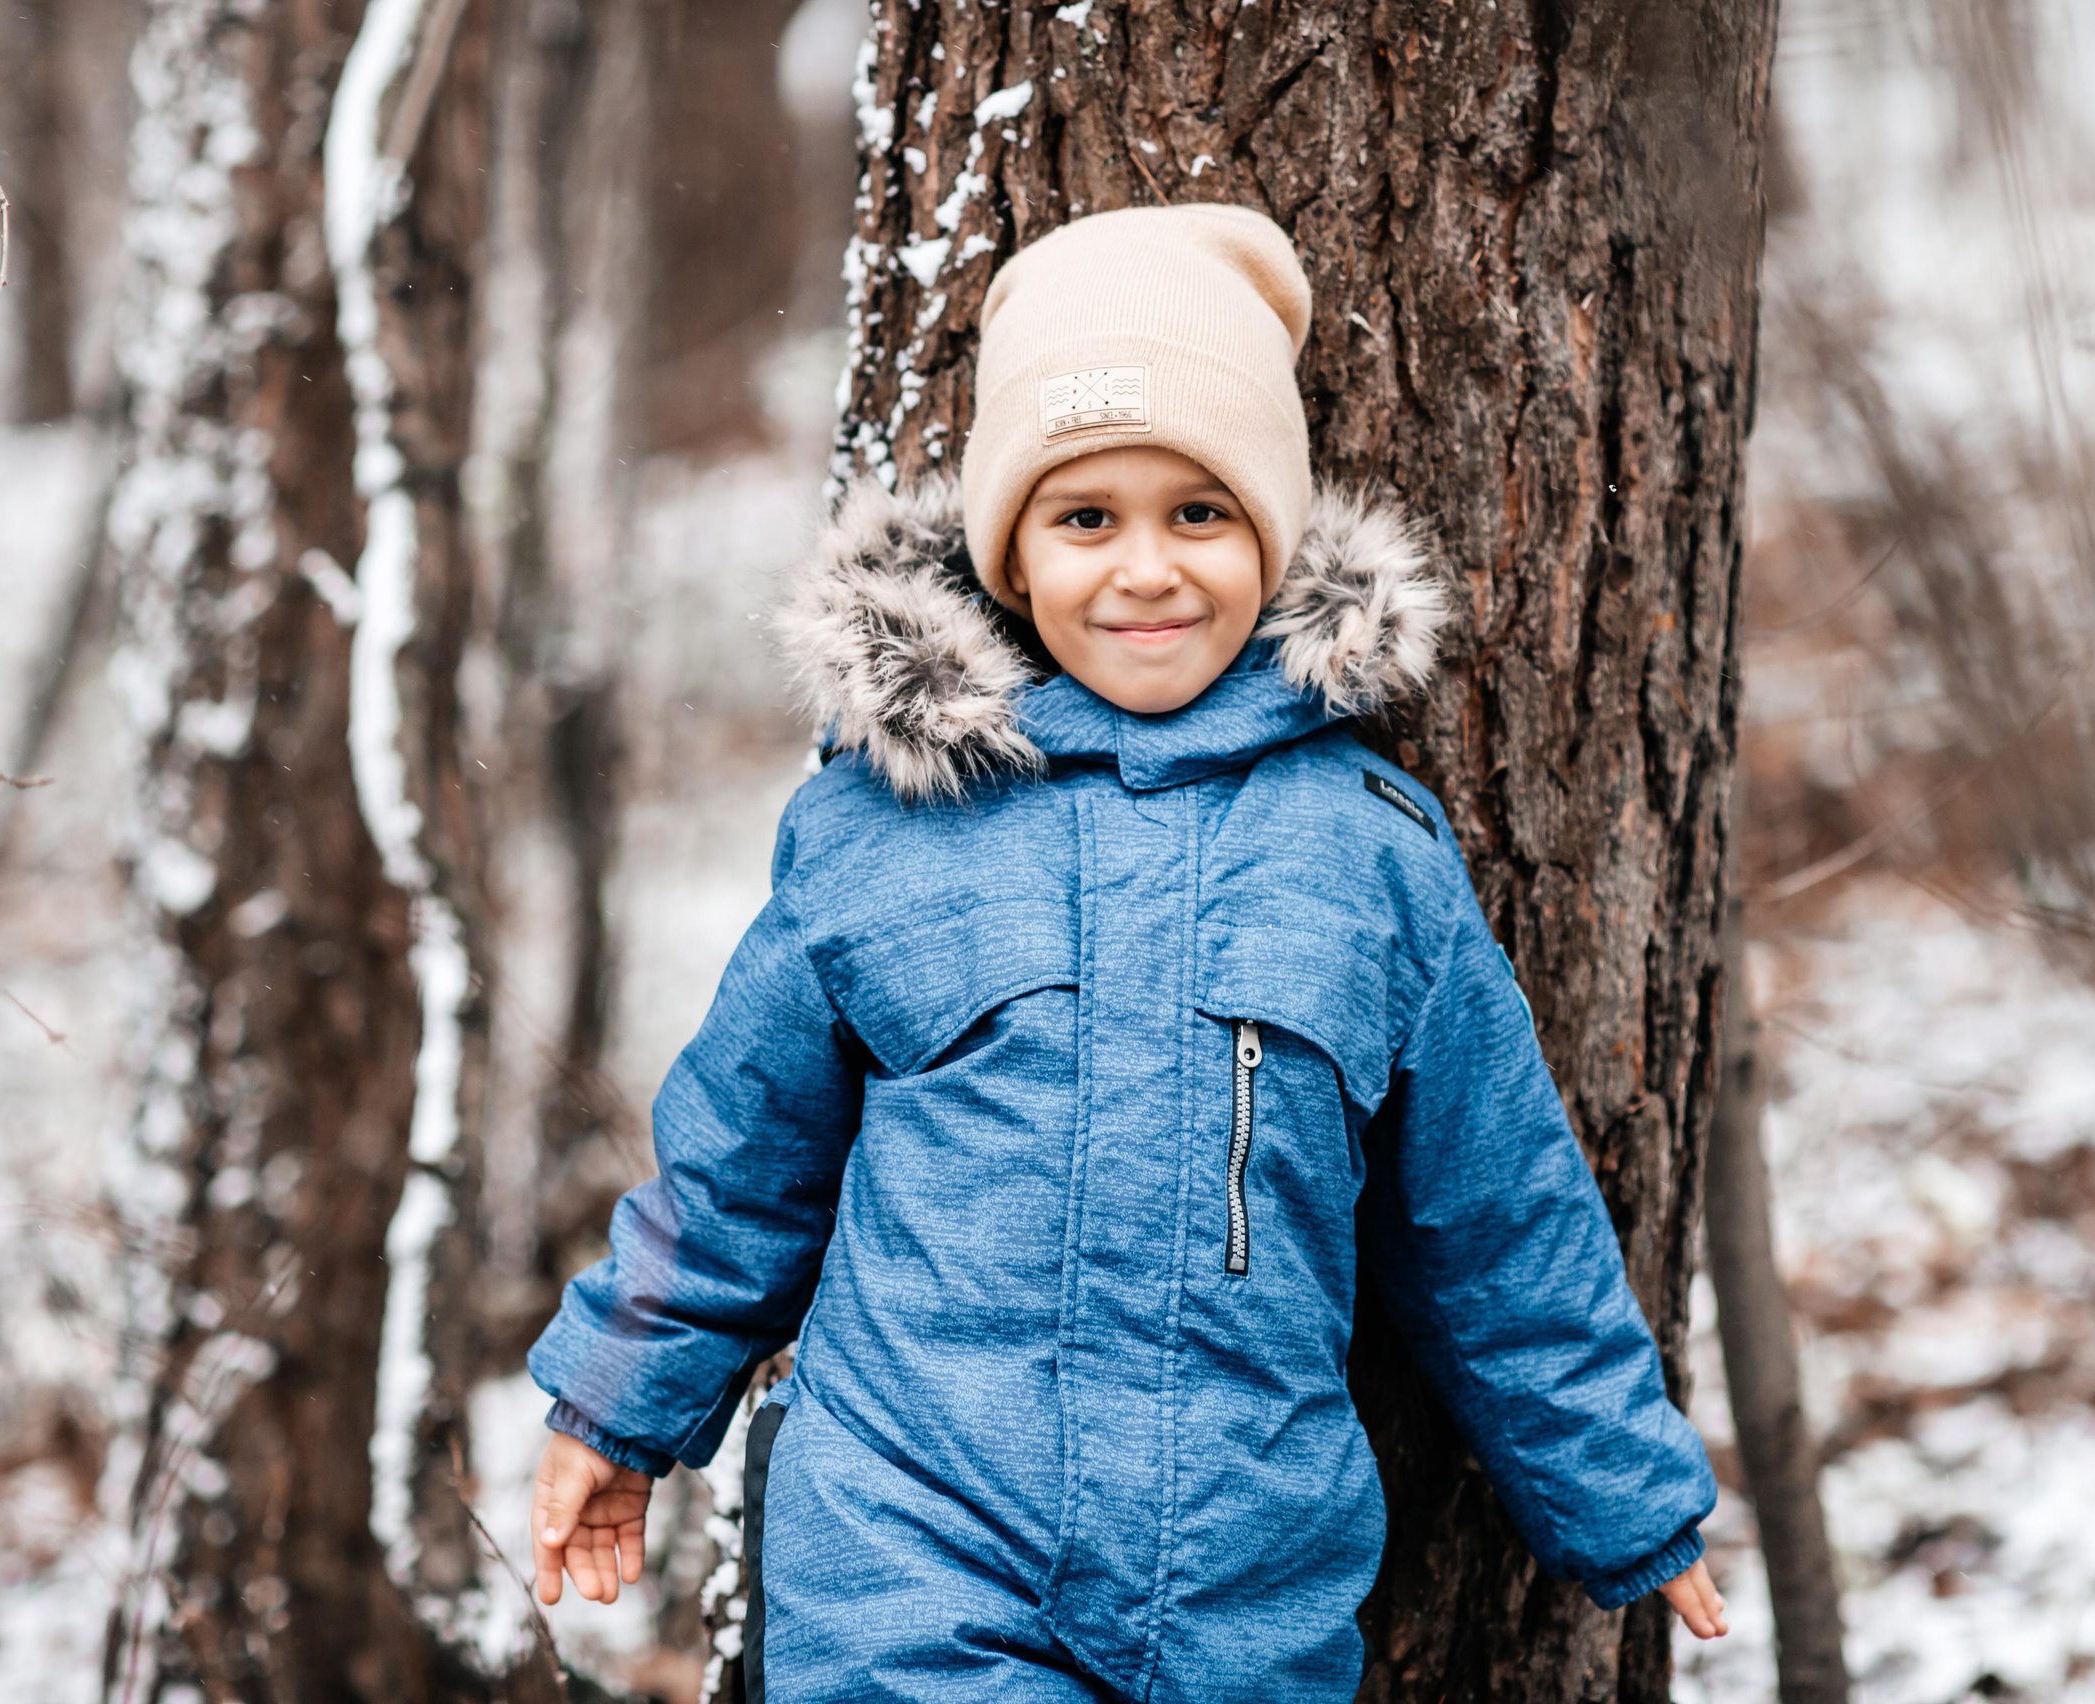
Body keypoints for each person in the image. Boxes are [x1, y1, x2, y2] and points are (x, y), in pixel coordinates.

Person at [525, 204, 1725, 1700]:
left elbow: (1496, 1217)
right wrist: (616, 1409)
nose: (1146, 569)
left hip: (1244, 1580)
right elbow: (734, 1174)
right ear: (1013, 554)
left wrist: (1627, 1494)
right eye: (1087, 519)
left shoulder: (1367, 852)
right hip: (915, 1549)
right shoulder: (885, 828)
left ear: (1271, 537)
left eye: (1200, 515)